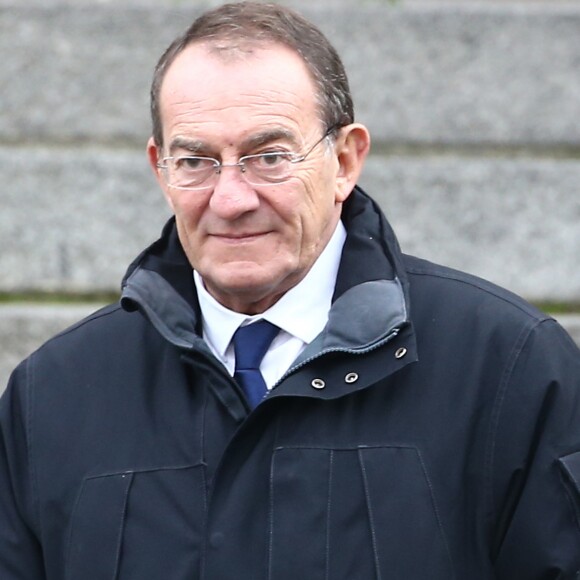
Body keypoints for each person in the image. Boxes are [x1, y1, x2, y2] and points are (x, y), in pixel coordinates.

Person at [1, 2, 579, 578]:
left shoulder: (509, 370)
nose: (230, 199)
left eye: (269, 156)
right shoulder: (51, 396)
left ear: (346, 160)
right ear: (161, 171)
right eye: (197, 160)